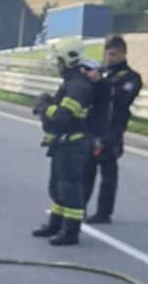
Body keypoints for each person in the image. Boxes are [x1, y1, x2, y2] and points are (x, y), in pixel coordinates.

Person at [31, 37, 95, 246]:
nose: (57, 65)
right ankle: (55, 224)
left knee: (70, 188)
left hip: (74, 144)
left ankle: (71, 232)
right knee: (58, 187)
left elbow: (62, 116)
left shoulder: (78, 86)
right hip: (64, 144)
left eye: (58, 61)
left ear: (68, 59)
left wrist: (44, 107)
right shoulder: (70, 82)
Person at [84, 35, 142, 224]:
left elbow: (121, 97)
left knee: (108, 174)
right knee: (86, 170)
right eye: (107, 54)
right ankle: (79, 207)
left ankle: (104, 212)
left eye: (113, 54)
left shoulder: (131, 77)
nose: (109, 58)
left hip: (113, 130)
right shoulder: (101, 72)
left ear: (123, 54)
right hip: (93, 128)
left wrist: (100, 82)